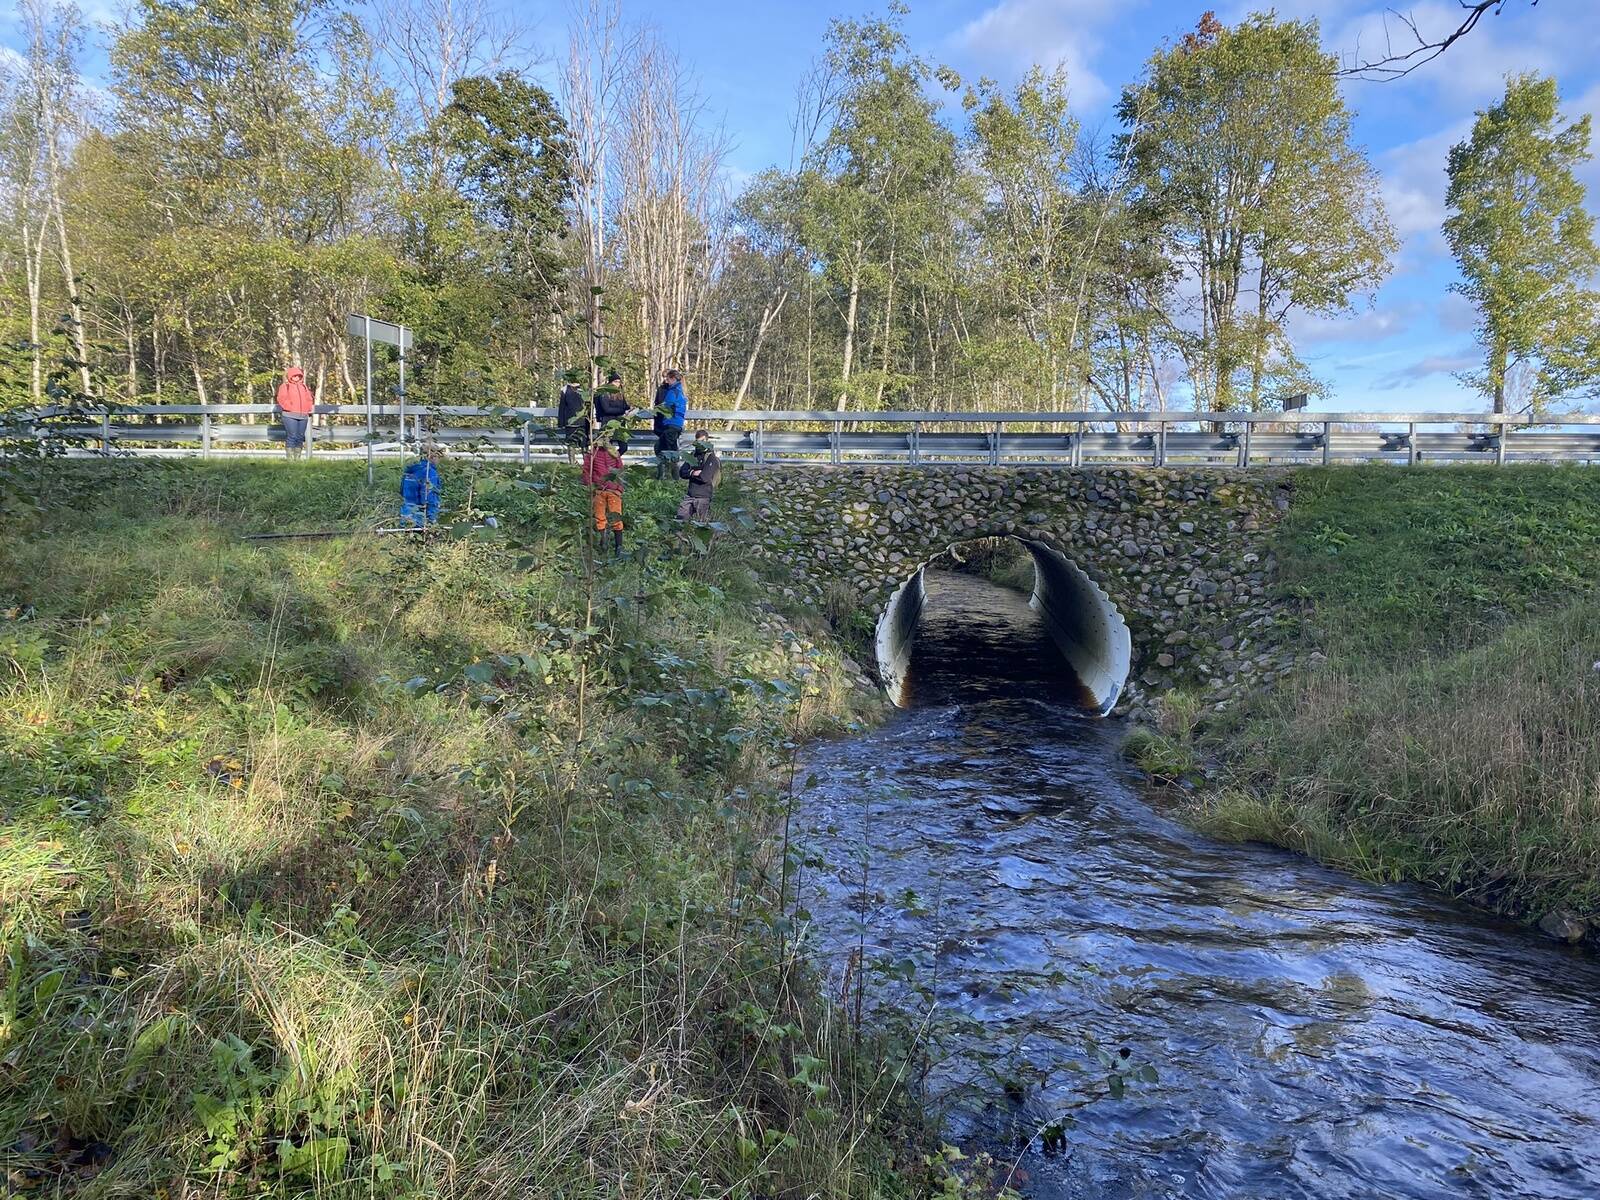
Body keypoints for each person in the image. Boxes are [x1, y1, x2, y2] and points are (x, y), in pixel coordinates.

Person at [581, 434, 625, 556]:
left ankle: (605, 545)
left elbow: (586, 471)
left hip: (600, 490)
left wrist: (590, 486)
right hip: (612, 490)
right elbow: (620, 471)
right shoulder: (614, 453)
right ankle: (618, 547)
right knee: (615, 517)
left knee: (601, 518)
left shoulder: (592, 454)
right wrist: (619, 488)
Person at [675, 429, 720, 522]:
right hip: (690, 495)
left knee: (701, 524)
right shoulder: (692, 455)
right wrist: (693, 472)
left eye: (703, 441)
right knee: (679, 520)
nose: (700, 443)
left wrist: (691, 472)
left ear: (707, 440)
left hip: (704, 497)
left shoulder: (712, 458)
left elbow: (704, 477)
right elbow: (682, 472)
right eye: (698, 441)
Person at [652, 369, 687, 479]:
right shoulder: (677, 390)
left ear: (672, 379)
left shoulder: (674, 391)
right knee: (661, 447)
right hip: (672, 424)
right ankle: (666, 476)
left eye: (667, 379)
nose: (666, 381)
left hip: (672, 423)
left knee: (670, 451)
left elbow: (666, 406)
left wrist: (656, 410)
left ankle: (673, 477)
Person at [275, 366, 315, 460]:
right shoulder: (285, 386)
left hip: (303, 415)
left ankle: (297, 458)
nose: (296, 378)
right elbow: (281, 398)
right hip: (289, 415)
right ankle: (290, 459)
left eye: (298, 376)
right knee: (292, 436)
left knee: (300, 437)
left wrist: (308, 407)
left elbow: (309, 398)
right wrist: (289, 407)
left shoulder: (303, 387)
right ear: (290, 376)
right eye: (294, 376)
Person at [401, 448, 442, 527]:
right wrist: (432, 519)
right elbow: (428, 496)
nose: (438, 461)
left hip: (406, 514)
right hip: (421, 518)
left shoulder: (410, 471)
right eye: (438, 457)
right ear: (432, 457)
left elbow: (402, 491)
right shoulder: (429, 472)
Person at [593, 370, 629, 452]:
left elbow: (625, 405)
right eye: (615, 381)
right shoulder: (605, 393)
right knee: (607, 447)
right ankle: (609, 463)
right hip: (608, 423)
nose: (617, 384)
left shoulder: (620, 393)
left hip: (620, 423)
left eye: (619, 382)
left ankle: (614, 461)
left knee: (624, 447)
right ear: (611, 382)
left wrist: (629, 409)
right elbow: (607, 409)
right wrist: (622, 411)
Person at [556, 379, 587, 460]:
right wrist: (561, 422)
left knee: (584, 443)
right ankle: (572, 463)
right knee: (570, 442)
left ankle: (587, 464)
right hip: (570, 421)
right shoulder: (565, 389)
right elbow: (562, 407)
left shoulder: (583, 389)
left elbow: (588, 405)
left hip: (582, 421)